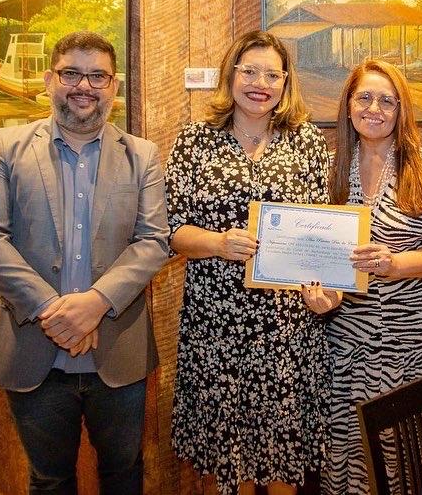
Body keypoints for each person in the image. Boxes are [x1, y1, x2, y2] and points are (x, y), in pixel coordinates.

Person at [0, 30, 170, 493]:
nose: (84, 86)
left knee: (123, 475)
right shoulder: (4, 146)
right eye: (71, 73)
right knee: (49, 479)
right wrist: (55, 312)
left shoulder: (142, 156)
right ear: (48, 79)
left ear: (113, 86)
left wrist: (95, 302)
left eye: (98, 76)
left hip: (116, 353)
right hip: (32, 348)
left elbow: (154, 240)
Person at [165, 30, 341, 495]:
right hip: (218, 324)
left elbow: (322, 230)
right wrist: (219, 243)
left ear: (286, 83)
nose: (260, 83)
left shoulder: (305, 141)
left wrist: (326, 290)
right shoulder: (195, 141)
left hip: (288, 328)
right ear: (231, 75)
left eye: (272, 74)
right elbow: (172, 231)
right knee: (233, 457)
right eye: (250, 71)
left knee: (284, 456)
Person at [324, 59, 422, 495]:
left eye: (387, 101)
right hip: (348, 345)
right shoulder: (334, 168)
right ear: (349, 106)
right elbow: (317, 255)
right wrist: (319, 295)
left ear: (400, 110)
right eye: (365, 97)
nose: (375, 108)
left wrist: (394, 263)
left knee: (415, 456)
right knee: (352, 455)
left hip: (414, 345)